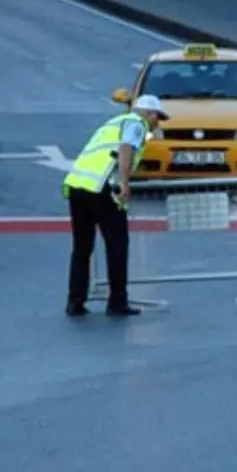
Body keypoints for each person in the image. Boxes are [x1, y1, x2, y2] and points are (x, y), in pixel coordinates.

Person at [63, 94, 169, 317]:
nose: (157, 123)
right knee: (117, 245)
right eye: (158, 117)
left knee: (82, 248)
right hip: (103, 188)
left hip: (77, 185)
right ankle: (117, 302)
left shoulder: (113, 123)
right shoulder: (136, 124)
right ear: (149, 113)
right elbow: (126, 148)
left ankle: (75, 301)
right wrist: (124, 182)